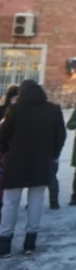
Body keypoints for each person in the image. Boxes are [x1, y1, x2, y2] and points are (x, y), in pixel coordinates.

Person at [0, 80, 66, 258]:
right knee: (36, 202)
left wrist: (5, 151)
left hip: (16, 162)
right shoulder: (53, 110)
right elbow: (61, 135)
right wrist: (53, 155)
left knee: (10, 203)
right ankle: (30, 242)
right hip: (41, 163)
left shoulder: (15, 110)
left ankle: (4, 243)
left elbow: (3, 135)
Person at [0, 86, 18, 218]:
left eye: (17, 98)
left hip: (16, 148)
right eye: (13, 98)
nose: (15, 101)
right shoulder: (2, 110)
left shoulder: (23, 112)